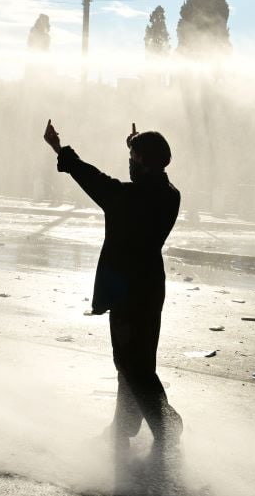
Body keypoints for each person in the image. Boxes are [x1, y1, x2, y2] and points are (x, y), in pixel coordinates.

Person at [43, 120, 183, 453]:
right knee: (136, 363)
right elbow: (125, 180)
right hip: (150, 287)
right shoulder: (170, 194)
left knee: (133, 367)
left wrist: (59, 149)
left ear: (146, 162)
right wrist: (134, 142)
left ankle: (167, 425)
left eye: (133, 158)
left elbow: (94, 180)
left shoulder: (130, 198)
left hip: (127, 292)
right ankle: (123, 428)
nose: (129, 163)